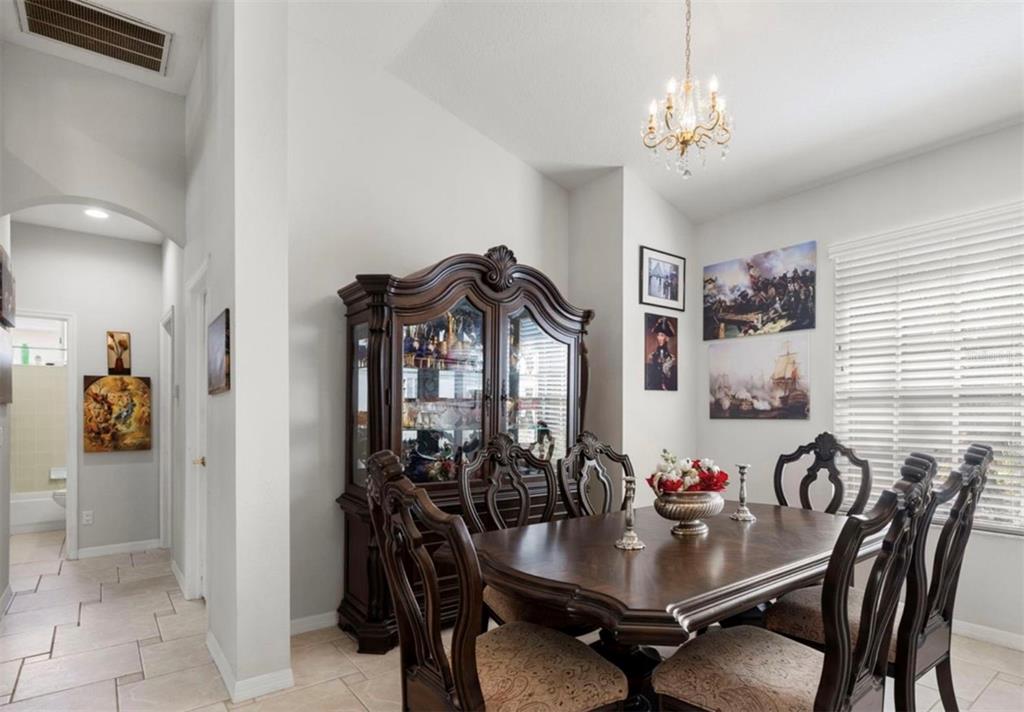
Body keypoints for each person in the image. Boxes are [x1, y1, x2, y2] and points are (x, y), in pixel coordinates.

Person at [646, 317, 678, 391]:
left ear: (667, 338)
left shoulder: (671, 358)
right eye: (658, 335)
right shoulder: (652, 355)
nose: (659, 338)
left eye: (662, 335)